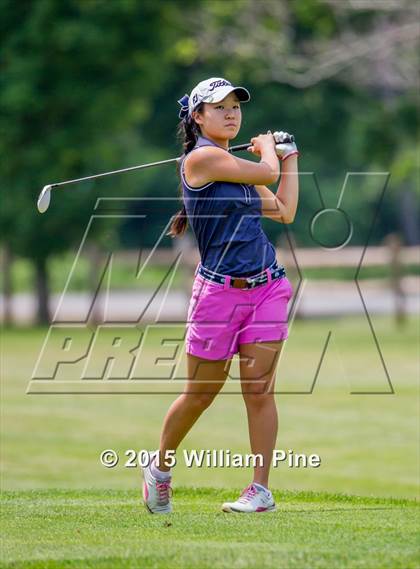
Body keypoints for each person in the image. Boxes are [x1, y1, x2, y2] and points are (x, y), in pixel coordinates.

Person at [142, 77, 299, 514]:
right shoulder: (203, 159)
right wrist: (270, 148)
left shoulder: (236, 167)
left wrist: (291, 157)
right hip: (218, 295)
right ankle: (159, 470)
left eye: (235, 106)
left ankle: (261, 491)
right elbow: (267, 171)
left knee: (259, 390)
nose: (231, 113)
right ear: (197, 117)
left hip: (266, 286)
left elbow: (285, 210)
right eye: (219, 107)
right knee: (201, 393)